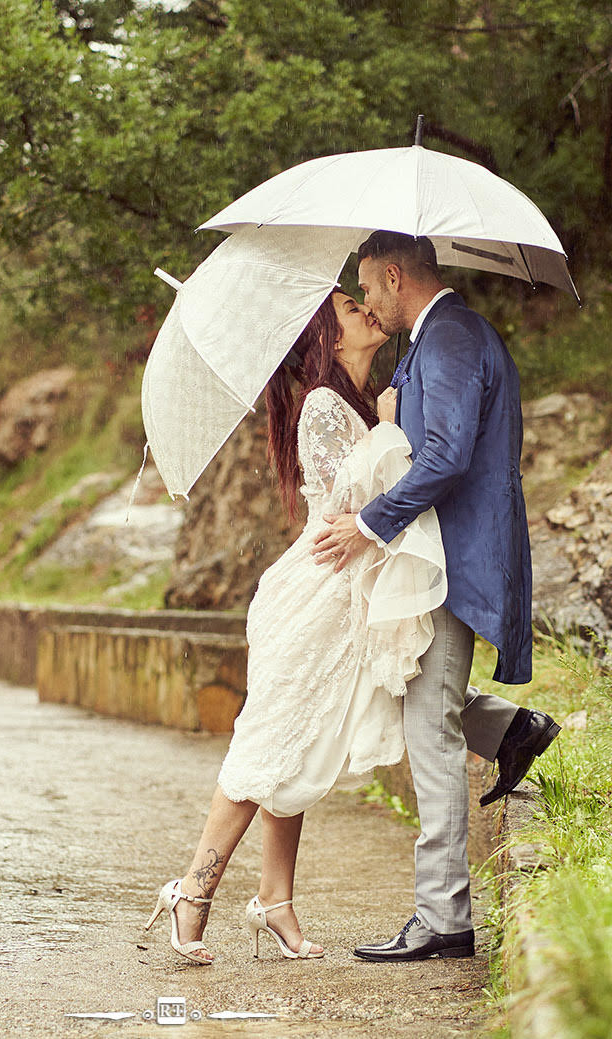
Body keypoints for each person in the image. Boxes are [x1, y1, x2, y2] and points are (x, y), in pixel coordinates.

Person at [146, 287, 447, 965]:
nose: (365, 309)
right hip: (315, 595)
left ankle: (274, 900)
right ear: (326, 340)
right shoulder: (322, 405)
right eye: (347, 307)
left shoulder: (357, 403)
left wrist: (389, 419)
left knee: (297, 743)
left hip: (340, 598)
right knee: (266, 749)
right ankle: (192, 892)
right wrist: (395, 428)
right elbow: (352, 503)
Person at [312, 230, 561, 962]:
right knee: (426, 704)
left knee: (429, 726)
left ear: (395, 276)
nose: (368, 304)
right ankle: (517, 729)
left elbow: (447, 458)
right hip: (440, 558)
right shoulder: (434, 339)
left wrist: (365, 524)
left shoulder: (449, 335)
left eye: (369, 288)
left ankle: (444, 917)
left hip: (452, 562)